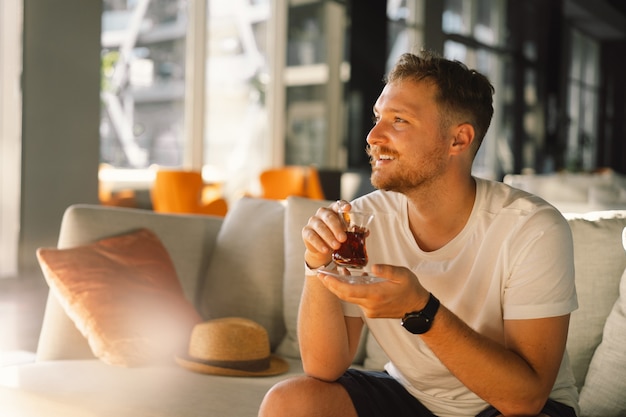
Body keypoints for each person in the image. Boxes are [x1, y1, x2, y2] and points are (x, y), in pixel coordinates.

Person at [258, 51, 579, 417]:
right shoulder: (361, 221)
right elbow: (322, 368)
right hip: (413, 397)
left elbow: (526, 398)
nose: (373, 136)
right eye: (378, 117)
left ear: (458, 139)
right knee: (290, 403)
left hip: (509, 406)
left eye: (399, 120)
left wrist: (421, 310)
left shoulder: (531, 228)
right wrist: (317, 264)